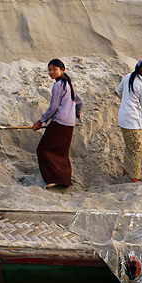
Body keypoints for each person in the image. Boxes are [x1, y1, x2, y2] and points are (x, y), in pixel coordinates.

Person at [33, 58, 82, 189]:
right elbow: (79, 102)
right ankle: (63, 180)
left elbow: (53, 107)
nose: (51, 72)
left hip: (60, 122)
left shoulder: (58, 85)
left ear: (62, 70)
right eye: (49, 70)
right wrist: (75, 114)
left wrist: (40, 121)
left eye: (55, 69)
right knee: (61, 152)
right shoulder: (70, 84)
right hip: (69, 124)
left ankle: (54, 179)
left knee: (43, 149)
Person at [115, 58, 142, 183]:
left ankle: (126, 170)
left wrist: (126, 101)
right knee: (137, 149)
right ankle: (135, 178)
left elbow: (119, 89)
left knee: (129, 146)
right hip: (132, 121)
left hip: (122, 118)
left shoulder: (128, 77)